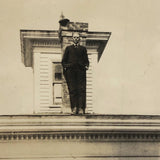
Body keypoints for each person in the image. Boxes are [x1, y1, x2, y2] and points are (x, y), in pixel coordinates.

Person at [62, 32, 89, 114]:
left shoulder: (83, 49)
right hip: (71, 72)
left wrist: (86, 66)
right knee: (73, 90)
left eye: (77, 37)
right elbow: (63, 61)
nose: (76, 39)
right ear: (72, 38)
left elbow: (86, 61)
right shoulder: (68, 48)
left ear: (79, 39)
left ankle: (81, 108)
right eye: (74, 37)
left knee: (81, 89)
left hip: (80, 71)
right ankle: (74, 108)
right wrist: (67, 67)